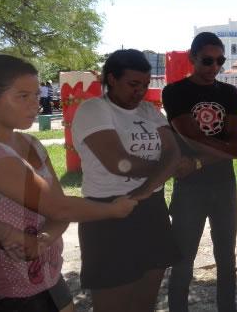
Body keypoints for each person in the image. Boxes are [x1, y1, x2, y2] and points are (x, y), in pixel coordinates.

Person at [0, 54, 137, 312]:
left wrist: (43, 239)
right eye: (23, 96)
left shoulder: (32, 145)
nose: (35, 105)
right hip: (5, 292)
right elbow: (60, 208)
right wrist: (113, 209)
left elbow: (58, 206)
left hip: (47, 276)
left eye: (37, 95)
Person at [71, 49, 187, 312]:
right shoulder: (94, 109)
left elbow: (174, 151)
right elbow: (118, 162)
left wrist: (145, 190)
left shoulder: (148, 110)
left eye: (145, 85)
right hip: (109, 213)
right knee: (113, 303)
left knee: (144, 301)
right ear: (111, 79)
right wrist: (165, 168)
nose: (140, 92)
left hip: (151, 209)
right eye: (133, 84)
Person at [162, 32, 237, 312]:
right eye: (207, 61)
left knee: (226, 259)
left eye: (219, 61)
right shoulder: (174, 92)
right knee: (183, 260)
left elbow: (233, 143)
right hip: (189, 190)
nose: (214, 67)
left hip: (223, 185)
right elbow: (191, 137)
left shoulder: (228, 92)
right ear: (192, 57)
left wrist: (199, 162)